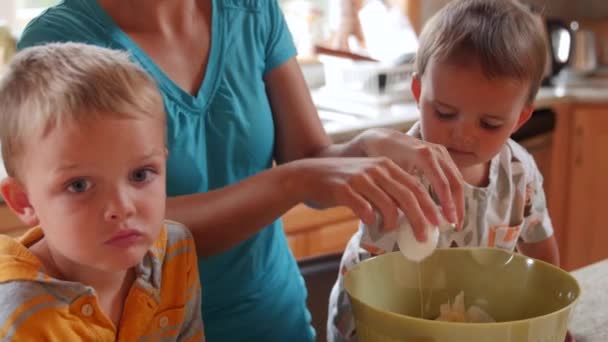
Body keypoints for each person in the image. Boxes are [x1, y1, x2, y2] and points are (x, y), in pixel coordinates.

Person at [17, 1, 465, 340]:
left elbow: (308, 154)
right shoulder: (64, 42)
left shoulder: (252, 9)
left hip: (276, 317)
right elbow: (131, 226)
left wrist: (366, 147)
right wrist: (293, 180)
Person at [327, 0, 562, 340]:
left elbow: (542, 256)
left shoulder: (519, 175)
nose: (463, 135)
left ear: (519, 118)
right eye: (445, 113)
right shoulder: (391, 168)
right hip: (377, 325)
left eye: (490, 123)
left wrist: (551, 318)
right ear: (419, 92)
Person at [0, 43, 204, 340]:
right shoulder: (19, 316)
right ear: (23, 200)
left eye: (140, 174)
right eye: (79, 185)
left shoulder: (175, 250)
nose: (122, 207)